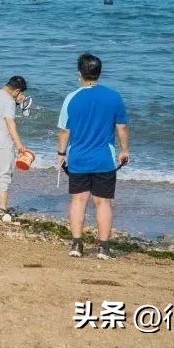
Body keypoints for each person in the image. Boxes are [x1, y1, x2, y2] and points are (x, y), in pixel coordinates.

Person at [57, 53, 130, 260]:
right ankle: (103, 248)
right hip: (104, 159)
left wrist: (61, 154)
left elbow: (65, 131)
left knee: (78, 200)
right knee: (103, 203)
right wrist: (124, 150)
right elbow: (122, 127)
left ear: (79, 73)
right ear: (100, 72)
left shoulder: (71, 97)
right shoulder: (114, 97)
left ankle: (76, 244)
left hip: (78, 158)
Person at [0, 75, 31, 214]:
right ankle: (3, 208)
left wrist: (16, 103)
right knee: (4, 175)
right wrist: (19, 144)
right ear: (17, 90)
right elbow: (9, 121)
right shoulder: (9, 101)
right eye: (20, 92)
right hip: (3, 143)